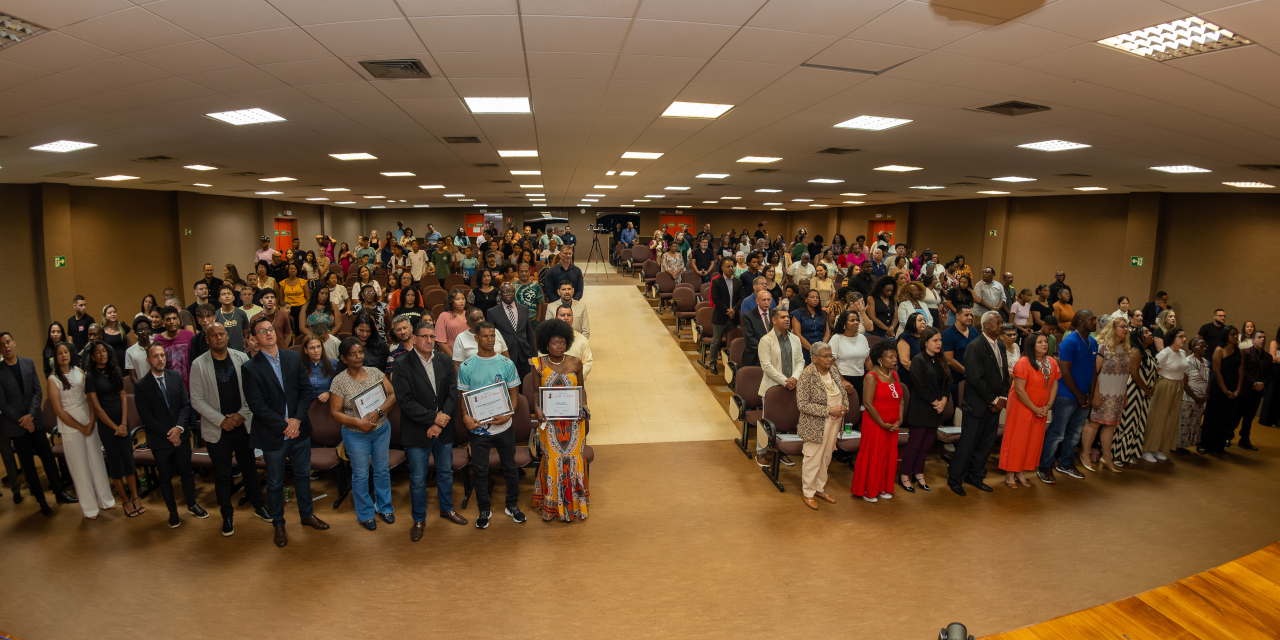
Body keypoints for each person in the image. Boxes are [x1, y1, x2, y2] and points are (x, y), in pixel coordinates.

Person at [241, 317, 329, 547]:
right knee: (275, 481)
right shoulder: (249, 368)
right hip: (273, 433)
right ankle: (278, 524)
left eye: (271, 329)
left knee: (302, 475)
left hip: (299, 430)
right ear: (254, 338)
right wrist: (285, 426)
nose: (269, 333)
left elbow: (304, 390)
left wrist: (297, 421)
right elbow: (257, 405)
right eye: (263, 331)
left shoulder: (292, 356)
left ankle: (307, 515)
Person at [190, 323, 269, 536]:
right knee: (223, 475)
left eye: (221, 334)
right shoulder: (198, 364)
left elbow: (252, 392)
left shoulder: (241, 358)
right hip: (218, 429)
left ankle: (259, 506)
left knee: (249, 469)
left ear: (227, 336)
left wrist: (241, 415)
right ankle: (227, 515)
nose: (218, 338)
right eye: (213, 335)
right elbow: (196, 400)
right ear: (207, 339)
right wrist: (220, 420)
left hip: (242, 424)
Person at [393, 319, 467, 538]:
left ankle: (447, 509)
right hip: (417, 431)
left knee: (445, 473)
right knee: (417, 479)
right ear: (414, 339)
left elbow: (453, 392)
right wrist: (434, 420)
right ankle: (418, 519)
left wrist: (441, 420)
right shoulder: (402, 363)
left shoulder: (444, 360)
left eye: (432, 336)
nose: (428, 340)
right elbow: (405, 401)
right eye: (424, 336)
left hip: (443, 430)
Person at [458, 322, 525, 529]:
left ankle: (512, 505)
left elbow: (515, 394)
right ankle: (484, 509)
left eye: (492, 336)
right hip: (479, 428)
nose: (490, 340)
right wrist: (464, 416)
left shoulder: (506, 364)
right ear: (476, 339)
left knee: (510, 467)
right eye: (485, 336)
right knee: (480, 470)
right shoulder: (466, 366)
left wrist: (508, 414)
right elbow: (463, 397)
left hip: (504, 426)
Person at [134, 343, 208, 527]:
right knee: (165, 478)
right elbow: (147, 417)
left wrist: (178, 428)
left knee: (187, 474)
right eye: (155, 356)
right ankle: (173, 512)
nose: (160, 359)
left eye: (162, 355)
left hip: (181, 436)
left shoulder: (175, 377)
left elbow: (186, 404)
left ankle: (192, 504)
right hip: (160, 441)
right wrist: (169, 433)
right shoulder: (141, 386)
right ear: (148, 360)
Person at [328, 337, 397, 530]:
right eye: (352, 354)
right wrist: (358, 422)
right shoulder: (339, 381)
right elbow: (335, 413)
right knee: (360, 474)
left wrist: (379, 412)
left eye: (360, 352)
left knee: (382, 470)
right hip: (355, 433)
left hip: (381, 429)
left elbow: (392, 395)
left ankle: (384, 507)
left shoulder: (375, 373)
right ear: (343, 358)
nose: (358, 357)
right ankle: (365, 513)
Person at [528, 319, 590, 521]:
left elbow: (582, 391)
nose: (559, 346)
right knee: (554, 461)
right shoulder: (538, 364)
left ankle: (575, 506)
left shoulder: (575, 362)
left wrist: (584, 407)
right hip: (550, 422)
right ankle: (554, 505)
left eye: (563, 342)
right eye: (555, 343)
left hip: (573, 423)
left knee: (573, 461)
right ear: (547, 344)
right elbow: (536, 393)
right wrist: (536, 410)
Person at [44, 343, 113, 519]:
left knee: (97, 462)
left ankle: (106, 500)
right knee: (80, 468)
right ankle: (90, 509)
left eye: (66, 352)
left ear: (70, 354)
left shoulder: (79, 371)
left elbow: (90, 396)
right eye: (59, 353)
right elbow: (59, 411)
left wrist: (91, 421)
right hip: (70, 425)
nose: (63, 355)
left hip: (87, 417)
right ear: (55, 358)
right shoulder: (53, 379)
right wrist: (80, 427)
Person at [946, 311, 1009, 495]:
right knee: (968, 444)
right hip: (977, 405)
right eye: (997, 322)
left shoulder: (1001, 346)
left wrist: (1003, 398)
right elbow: (975, 378)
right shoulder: (975, 346)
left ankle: (975, 476)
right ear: (985, 325)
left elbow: (1005, 375)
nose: (1001, 325)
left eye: (1001, 322)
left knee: (986, 444)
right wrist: (994, 400)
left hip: (995, 405)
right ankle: (955, 478)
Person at [1038, 310, 1097, 483]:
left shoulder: (1093, 342)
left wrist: (1091, 395)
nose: (1095, 321)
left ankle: (1065, 463)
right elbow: (1064, 372)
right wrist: (1079, 395)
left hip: (1084, 397)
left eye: (1095, 319)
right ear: (1080, 322)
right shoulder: (1070, 341)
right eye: (1091, 319)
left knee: (1074, 434)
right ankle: (1045, 467)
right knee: (1057, 433)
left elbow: (1093, 370)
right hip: (1066, 396)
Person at [789, 341, 847, 509]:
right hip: (815, 425)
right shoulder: (807, 375)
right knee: (813, 458)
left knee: (827, 457)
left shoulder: (834, 371)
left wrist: (844, 407)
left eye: (831, 356)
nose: (830, 359)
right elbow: (803, 405)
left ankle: (820, 488)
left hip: (835, 423)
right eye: (825, 356)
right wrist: (830, 410)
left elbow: (843, 393)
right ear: (814, 358)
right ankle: (808, 493)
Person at [998, 333, 1060, 488]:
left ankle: (1020, 471)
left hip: (1041, 409)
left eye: (1045, 341)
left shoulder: (1051, 362)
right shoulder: (1024, 362)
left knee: (1031, 441)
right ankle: (1010, 473)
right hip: (1022, 407)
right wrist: (1035, 408)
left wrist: (1048, 406)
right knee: (1017, 440)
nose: (1044, 344)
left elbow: (1053, 384)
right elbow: (1019, 390)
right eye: (1040, 342)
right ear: (1032, 345)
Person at [851, 341, 903, 503]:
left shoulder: (894, 375)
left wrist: (900, 419)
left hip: (892, 423)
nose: (895, 359)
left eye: (895, 356)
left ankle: (882, 487)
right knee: (874, 454)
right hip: (875, 422)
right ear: (880, 359)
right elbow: (867, 403)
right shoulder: (871, 377)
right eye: (890, 357)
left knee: (887, 455)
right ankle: (868, 489)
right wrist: (882, 423)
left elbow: (900, 400)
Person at [1078, 315, 1130, 473]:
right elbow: (1093, 372)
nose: (1125, 329)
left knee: (1110, 426)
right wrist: (1096, 395)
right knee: (1094, 424)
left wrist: (1125, 394)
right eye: (1122, 326)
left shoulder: (1125, 348)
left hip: (1118, 394)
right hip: (1102, 393)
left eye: (1126, 327)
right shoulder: (1102, 347)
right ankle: (1085, 454)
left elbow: (1124, 374)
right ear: (1112, 329)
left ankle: (1107, 457)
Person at [756, 308, 804, 467]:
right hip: (773, 387)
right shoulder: (766, 340)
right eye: (782, 317)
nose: (787, 319)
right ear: (774, 320)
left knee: (787, 419)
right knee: (766, 421)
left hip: (792, 386)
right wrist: (785, 380)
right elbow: (766, 366)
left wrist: (794, 378)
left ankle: (782, 452)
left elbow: (801, 362)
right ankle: (761, 452)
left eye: (788, 317)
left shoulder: (795, 339)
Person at [1143, 328, 1188, 462]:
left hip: (1178, 387)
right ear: (1173, 338)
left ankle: (1158, 448)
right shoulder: (1164, 354)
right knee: (1158, 417)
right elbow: (1153, 373)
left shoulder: (1183, 353)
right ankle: (1146, 449)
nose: (1184, 339)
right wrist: (1151, 390)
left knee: (1170, 418)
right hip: (1165, 386)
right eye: (1181, 337)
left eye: (1184, 336)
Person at [1114, 326, 1157, 465]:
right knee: (1128, 423)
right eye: (1145, 332)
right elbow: (1134, 374)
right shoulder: (1135, 351)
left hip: (1143, 392)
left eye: (1149, 331)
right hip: (1134, 391)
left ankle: (1129, 453)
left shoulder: (1147, 351)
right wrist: (1147, 390)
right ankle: (1118, 455)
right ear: (1138, 337)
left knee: (1137, 424)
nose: (1150, 334)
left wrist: (1151, 387)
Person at [1201, 325, 1242, 454]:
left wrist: (1238, 390)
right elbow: (1217, 372)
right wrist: (1225, 390)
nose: (1235, 336)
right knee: (1212, 417)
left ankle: (1218, 445)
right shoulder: (1219, 350)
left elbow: (1241, 371)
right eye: (1232, 334)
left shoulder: (1238, 350)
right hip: (1219, 388)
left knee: (1226, 418)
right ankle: (1205, 444)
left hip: (1233, 388)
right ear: (1226, 336)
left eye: (1236, 334)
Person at [488, 283, 537, 381]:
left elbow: (528, 333)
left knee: (524, 384)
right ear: (500, 295)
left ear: (514, 293)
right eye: (504, 291)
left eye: (510, 291)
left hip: (523, 354)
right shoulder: (492, 312)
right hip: (505, 355)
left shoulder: (524, 309)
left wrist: (533, 356)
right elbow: (491, 336)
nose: (508, 294)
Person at [1234, 330, 1269, 451]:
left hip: (1257, 392)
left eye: (1264, 337)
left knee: (1249, 418)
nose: (1262, 339)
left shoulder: (1268, 357)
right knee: (1236, 416)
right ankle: (1227, 436)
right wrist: (1254, 383)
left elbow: (1270, 375)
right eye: (1260, 337)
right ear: (1253, 340)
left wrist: (1262, 384)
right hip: (1245, 390)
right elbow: (1243, 370)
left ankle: (1244, 440)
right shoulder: (1246, 353)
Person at [1177, 337, 1212, 455]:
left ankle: (1185, 445)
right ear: (1193, 348)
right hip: (1189, 398)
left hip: (1201, 399)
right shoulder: (1187, 361)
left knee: (1194, 423)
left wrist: (1206, 394)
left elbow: (1207, 380)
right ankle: (1177, 446)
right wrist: (1195, 397)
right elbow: (1184, 382)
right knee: (1184, 423)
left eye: (1205, 346)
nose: (1204, 348)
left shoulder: (1206, 362)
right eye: (1201, 346)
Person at [707, 257, 742, 376]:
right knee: (716, 341)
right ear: (722, 268)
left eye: (733, 266)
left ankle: (730, 365)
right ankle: (712, 363)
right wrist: (728, 310)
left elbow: (741, 298)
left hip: (734, 317)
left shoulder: (738, 281)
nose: (731, 268)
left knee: (731, 342)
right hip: (720, 316)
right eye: (728, 266)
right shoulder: (717, 281)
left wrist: (734, 310)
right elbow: (715, 299)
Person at [152, 306, 195, 390]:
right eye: (168, 319)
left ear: (178, 320)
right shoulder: (157, 340)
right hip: (169, 387)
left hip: (190, 385)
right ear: (163, 323)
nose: (172, 322)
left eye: (174, 318)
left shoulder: (189, 335)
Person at [544, 305, 593, 378]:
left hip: (574, 382)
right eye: (562, 315)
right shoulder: (547, 339)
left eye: (569, 315)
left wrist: (575, 376)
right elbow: (542, 360)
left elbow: (588, 361)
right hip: (550, 381)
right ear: (556, 318)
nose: (566, 318)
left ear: (572, 318)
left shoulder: (582, 340)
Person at [942, 306, 977, 407]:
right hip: (955, 378)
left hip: (973, 377)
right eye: (966, 315)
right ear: (957, 316)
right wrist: (966, 371)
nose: (970, 317)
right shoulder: (948, 334)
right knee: (957, 408)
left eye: (971, 315)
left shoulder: (974, 332)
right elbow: (949, 360)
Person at [791, 289, 829, 366]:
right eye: (812, 297)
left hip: (821, 348)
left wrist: (821, 348)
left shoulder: (823, 314)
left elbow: (827, 332)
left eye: (817, 297)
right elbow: (797, 334)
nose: (815, 299)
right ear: (806, 299)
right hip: (803, 348)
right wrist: (813, 350)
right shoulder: (797, 314)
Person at [213, 286, 249, 352]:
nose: (227, 296)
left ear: (233, 297)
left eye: (229, 294)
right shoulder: (215, 316)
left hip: (241, 352)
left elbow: (246, 334)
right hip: (223, 352)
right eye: (223, 294)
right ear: (219, 299)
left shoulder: (241, 313)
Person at [742, 290, 773, 369]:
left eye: (768, 300)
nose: (766, 302)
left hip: (774, 356)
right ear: (757, 301)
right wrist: (766, 352)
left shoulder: (775, 314)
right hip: (755, 356)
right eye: (763, 300)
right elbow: (750, 339)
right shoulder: (748, 316)